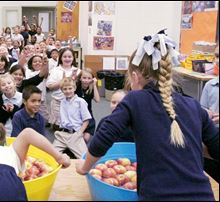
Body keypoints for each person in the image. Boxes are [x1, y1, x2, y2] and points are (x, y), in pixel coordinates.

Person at [75, 31, 219, 200]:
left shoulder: (135, 99)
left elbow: (104, 136)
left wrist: (84, 168)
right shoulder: (193, 105)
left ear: (134, 77)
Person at [53, 77, 91, 159]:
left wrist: (80, 133)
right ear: (62, 90)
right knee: (51, 156)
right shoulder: (62, 102)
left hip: (75, 134)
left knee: (85, 159)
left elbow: (86, 119)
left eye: (70, 88)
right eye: (65, 89)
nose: (68, 91)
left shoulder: (80, 102)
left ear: (74, 88)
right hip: (62, 134)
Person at [46, 48, 80, 129]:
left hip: (72, 103)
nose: (67, 59)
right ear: (60, 58)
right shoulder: (55, 70)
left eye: (69, 56)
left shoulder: (77, 71)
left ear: (73, 58)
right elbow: (49, 86)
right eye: (65, 56)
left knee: (70, 127)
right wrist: (62, 82)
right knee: (58, 127)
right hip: (58, 102)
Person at [200, 45, 219, 183]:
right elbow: (203, 114)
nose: (218, 60)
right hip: (211, 141)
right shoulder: (210, 86)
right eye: (217, 56)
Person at [75, 68, 100, 142]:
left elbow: (97, 100)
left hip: (87, 115)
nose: (86, 80)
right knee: (77, 137)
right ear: (80, 78)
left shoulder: (91, 88)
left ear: (92, 79)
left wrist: (94, 85)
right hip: (76, 114)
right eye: (84, 78)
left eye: (89, 78)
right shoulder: (76, 86)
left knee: (85, 138)